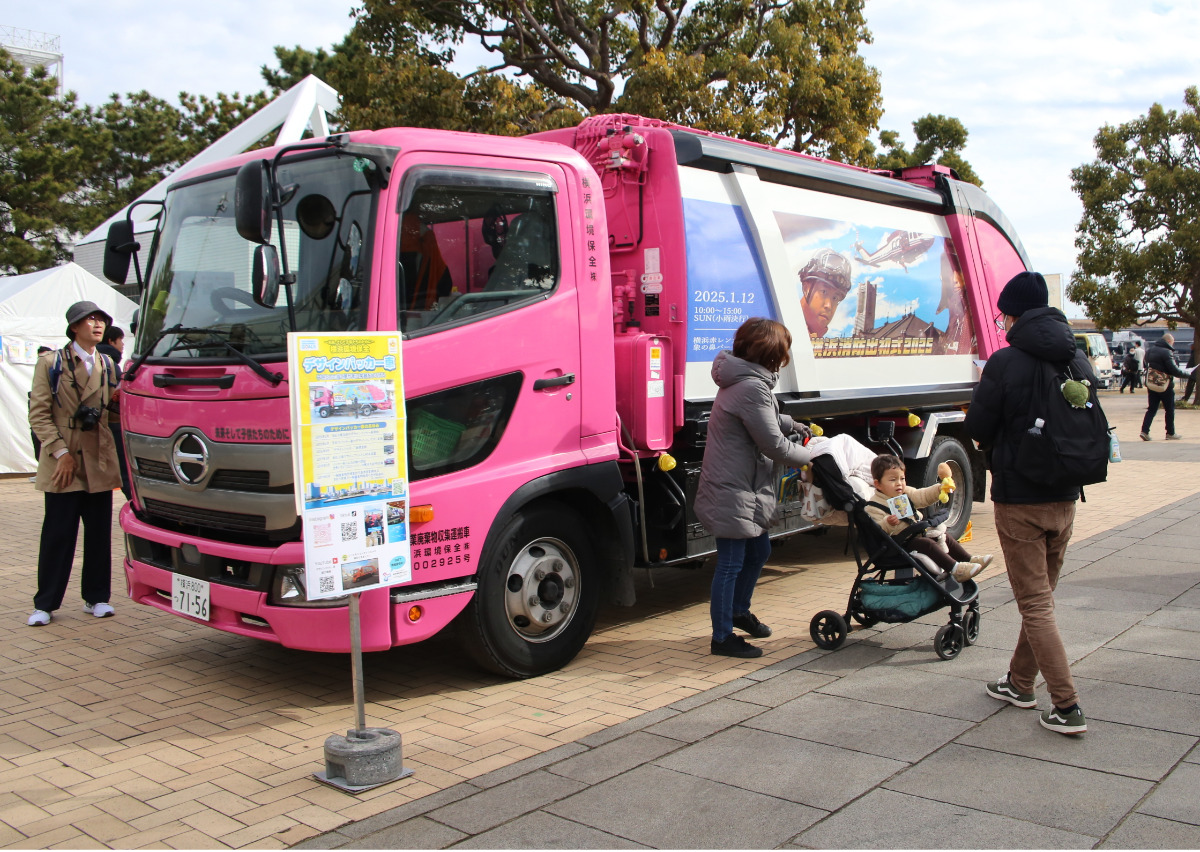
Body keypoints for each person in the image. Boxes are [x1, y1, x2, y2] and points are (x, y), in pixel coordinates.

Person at [965, 271, 1093, 734]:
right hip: (1065, 497)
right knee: (1041, 599)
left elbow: (979, 427)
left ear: (1014, 313)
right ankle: (1020, 682)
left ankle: (1066, 705)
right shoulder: (1077, 359)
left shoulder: (1005, 362)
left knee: (1035, 605)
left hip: (1020, 499)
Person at [694, 317, 814, 658]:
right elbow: (774, 445)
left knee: (759, 552)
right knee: (730, 563)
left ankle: (738, 611)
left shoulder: (749, 381)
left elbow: (766, 416)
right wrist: (812, 457)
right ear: (770, 355)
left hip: (742, 487)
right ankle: (722, 638)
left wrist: (794, 424)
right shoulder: (750, 386)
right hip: (732, 489)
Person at [27, 301, 123, 626]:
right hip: (63, 459)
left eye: (101, 320)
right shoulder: (51, 362)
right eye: (90, 319)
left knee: (98, 534)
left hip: (97, 458)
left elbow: (113, 414)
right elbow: (38, 414)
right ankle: (45, 603)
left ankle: (96, 597)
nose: (97, 324)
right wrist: (59, 453)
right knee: (57, 533)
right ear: (74, 327)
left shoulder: (108, 365)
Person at [863, 454, 991, 583]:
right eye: (892, 480)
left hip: (915, 534)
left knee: (944, 536)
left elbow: (922, 495)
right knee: (927, 544)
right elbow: (876, 530)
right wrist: (888, 523)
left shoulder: (905, 493)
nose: (899, 484)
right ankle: (956, 569)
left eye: (902, 478)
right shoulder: (873, 506)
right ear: (878, 484)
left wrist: (940, 489)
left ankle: (968, 559)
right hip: (897, 544)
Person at [1139, 332, 1193, 441]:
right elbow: (1173, 370)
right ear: (1169, 342)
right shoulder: (1167, 352)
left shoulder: (1149, 351)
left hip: (1152, 384)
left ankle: (1144, 431)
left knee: (1152, 409)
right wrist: (1188, 374)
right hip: (1165, 385)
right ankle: (1170, 432)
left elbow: (1146, 366)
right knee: (1169, 409)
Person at [98, 325, 130, 501]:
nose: (123, 344)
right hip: (114, 423)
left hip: (96, 425)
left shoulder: (93, 358)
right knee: (124, 472)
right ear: (111, 341)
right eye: (120, 340)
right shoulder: (110, 363)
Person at [798, 248, 853, 338]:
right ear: (806, 288)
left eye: (835, 298)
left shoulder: (815, 341)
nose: (829, 306)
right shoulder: (784, 331)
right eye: (824, 292)